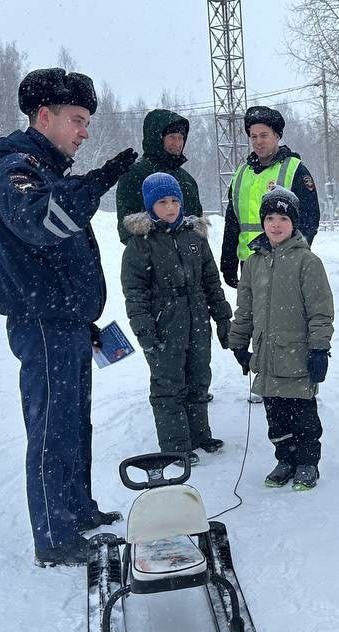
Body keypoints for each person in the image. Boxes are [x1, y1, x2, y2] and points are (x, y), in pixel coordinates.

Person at [0, 66, 137, 567]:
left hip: (66, 320)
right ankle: (55, 535)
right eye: (77, 120)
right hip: (43, 322)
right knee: (53, 428)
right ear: (44, 116)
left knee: (74, 422)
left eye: (87, 121)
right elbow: (41, 221)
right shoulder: (14, 168)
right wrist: (96, 183)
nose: (84, 132)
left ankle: (77, 509)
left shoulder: (47, 171)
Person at [120, 173, 233, 464]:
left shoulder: (195, 236)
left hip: (197, 321)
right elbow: (135, 293)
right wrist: (145, 330)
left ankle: (199, 434)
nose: (170, 207)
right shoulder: (141, 243)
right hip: (164, 324)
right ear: (150, 206)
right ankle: (175, 445)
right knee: (168, 385)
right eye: (162, 202)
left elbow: (211, 281)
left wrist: (223, 318)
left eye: (174, 200)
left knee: (199, 377)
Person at [228, 188, 333, 491]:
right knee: (275, 416)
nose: (275, 225)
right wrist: (238, 344)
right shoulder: (253, 262)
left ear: (294, 223)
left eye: (283, 218)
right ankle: (285, 459)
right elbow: (245, 309)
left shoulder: (307, 262)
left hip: (297, 357)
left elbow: (320, 312)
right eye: (270, 218)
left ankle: (307, 463)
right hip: (266, 357)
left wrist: (319, 350)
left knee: (303, 416)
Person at [219, 105, 320, 290]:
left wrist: (294, 257)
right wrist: (228, 260)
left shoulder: (295, 170)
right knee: (250, 309)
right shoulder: (241, 173)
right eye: (253, 136)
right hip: (249, 265)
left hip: (283, 264)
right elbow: (232, 220)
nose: (258, 141)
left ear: (277, 136)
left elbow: (309, 219)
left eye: (264, 135)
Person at [115, 109, 203, 245]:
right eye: (172, 137)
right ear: (156, 138)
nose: (177, 143)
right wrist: (159, 249)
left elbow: (198, 226)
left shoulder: (187, 180)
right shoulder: (134, 174)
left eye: (181, 138)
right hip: (149, 256)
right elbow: (127, 226)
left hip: (189, 256)